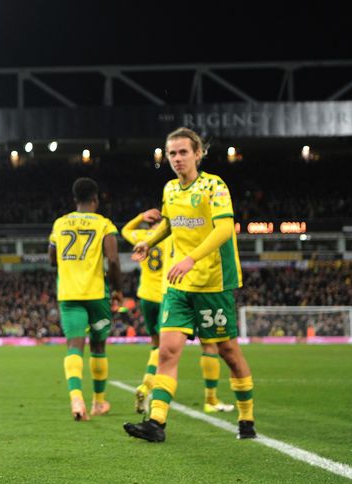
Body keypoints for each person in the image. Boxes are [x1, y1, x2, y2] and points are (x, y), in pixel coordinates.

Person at [124, 127, 256, 442]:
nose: (178, 159)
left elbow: (224, 229)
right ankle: (156, 423)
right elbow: (169, 223)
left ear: (198, 153)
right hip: (179, 286)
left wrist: (191, 259)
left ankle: (247, 419)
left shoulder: (214, 187)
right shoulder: (170, 189)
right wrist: (148, 241)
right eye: (172, 153)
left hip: (213, 282)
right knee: (167, 351)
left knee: (228, 352)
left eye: (184, 152)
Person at [122, 210, 233, 414]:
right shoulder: (174, 235)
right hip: (171, 294)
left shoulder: (144, 237)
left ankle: (147, 385)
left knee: (157, 346)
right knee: (209, 344)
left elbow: (125, 230)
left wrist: (140, 216)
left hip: (146, 296)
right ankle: (211, 398)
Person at [49, 177, 122, 421]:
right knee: (99, 346)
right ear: (96, 199)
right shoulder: (104, 224)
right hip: (96, 294)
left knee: (74, 347)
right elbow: (112, 260)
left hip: (68, 294)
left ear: (74, 200)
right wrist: (118, 290)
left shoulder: (60, 223)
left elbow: (51, 258)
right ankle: (99, 402)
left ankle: (76, 398)